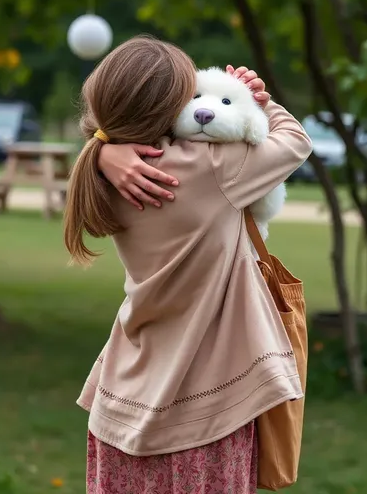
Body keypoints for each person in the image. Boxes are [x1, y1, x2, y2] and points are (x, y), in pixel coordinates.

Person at [63, 35, 312, 494]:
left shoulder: (104, 176)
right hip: (207, 410)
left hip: (122, 402)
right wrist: (261, 100)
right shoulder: (210, 165)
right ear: (168, 107)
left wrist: (102, 150)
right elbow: (295, 141)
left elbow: (99, 138)